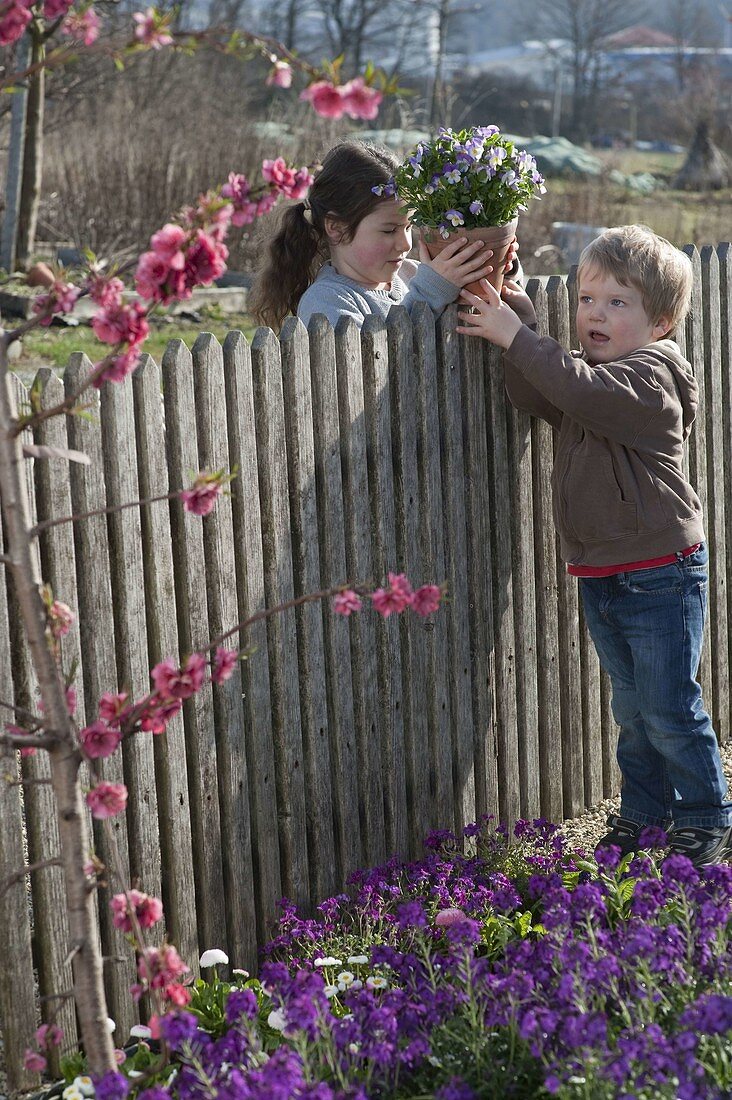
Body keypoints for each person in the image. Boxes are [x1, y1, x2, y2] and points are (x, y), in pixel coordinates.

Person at [455, 224, 732, 868]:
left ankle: (705, 814)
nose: (594, 314)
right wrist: (513, 303)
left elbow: (577, 390)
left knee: (668, 707)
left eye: (617, 302)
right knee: (633, 712)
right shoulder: (590, 380)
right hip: (603, 572)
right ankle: (643, 811)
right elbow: (532, 390)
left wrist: (518, 337)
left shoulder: (653, 378)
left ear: (661, 322)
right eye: (586, 300)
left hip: (661, 571)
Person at [249, 140, 516, 331]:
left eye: (409, 227)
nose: (405, 243)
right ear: (336, 228)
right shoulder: (326, 301)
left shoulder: (412, 275)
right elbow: (375, 366)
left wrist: (503, 270)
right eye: (389, 230)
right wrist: (432, 291)